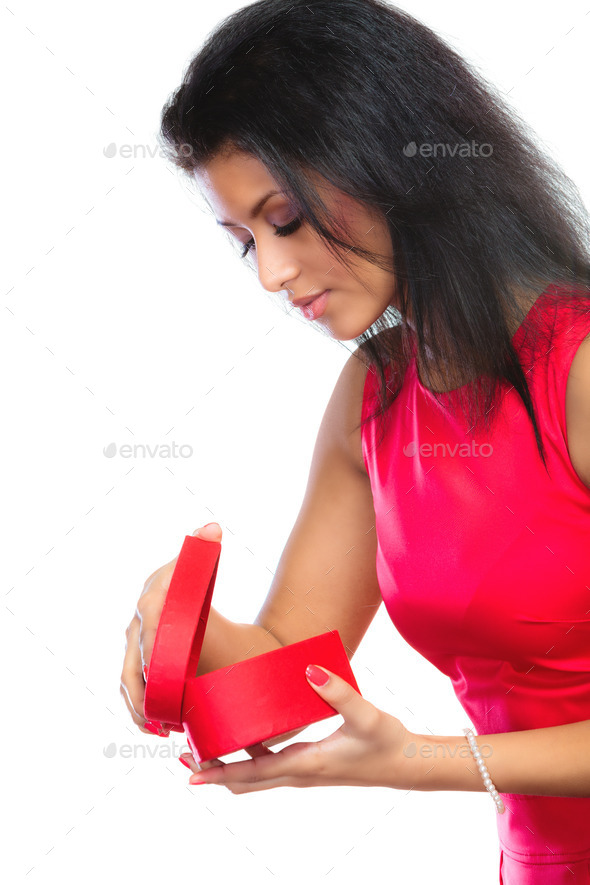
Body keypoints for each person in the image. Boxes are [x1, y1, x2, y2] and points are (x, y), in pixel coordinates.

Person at [120, 0, 590, 881]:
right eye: (244, 240)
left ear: (392, 159)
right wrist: (175, 620)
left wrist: (422, 759)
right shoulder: (375, 395)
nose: (270, 272)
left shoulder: (580, 369)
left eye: (286, 217)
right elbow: (290, 678)